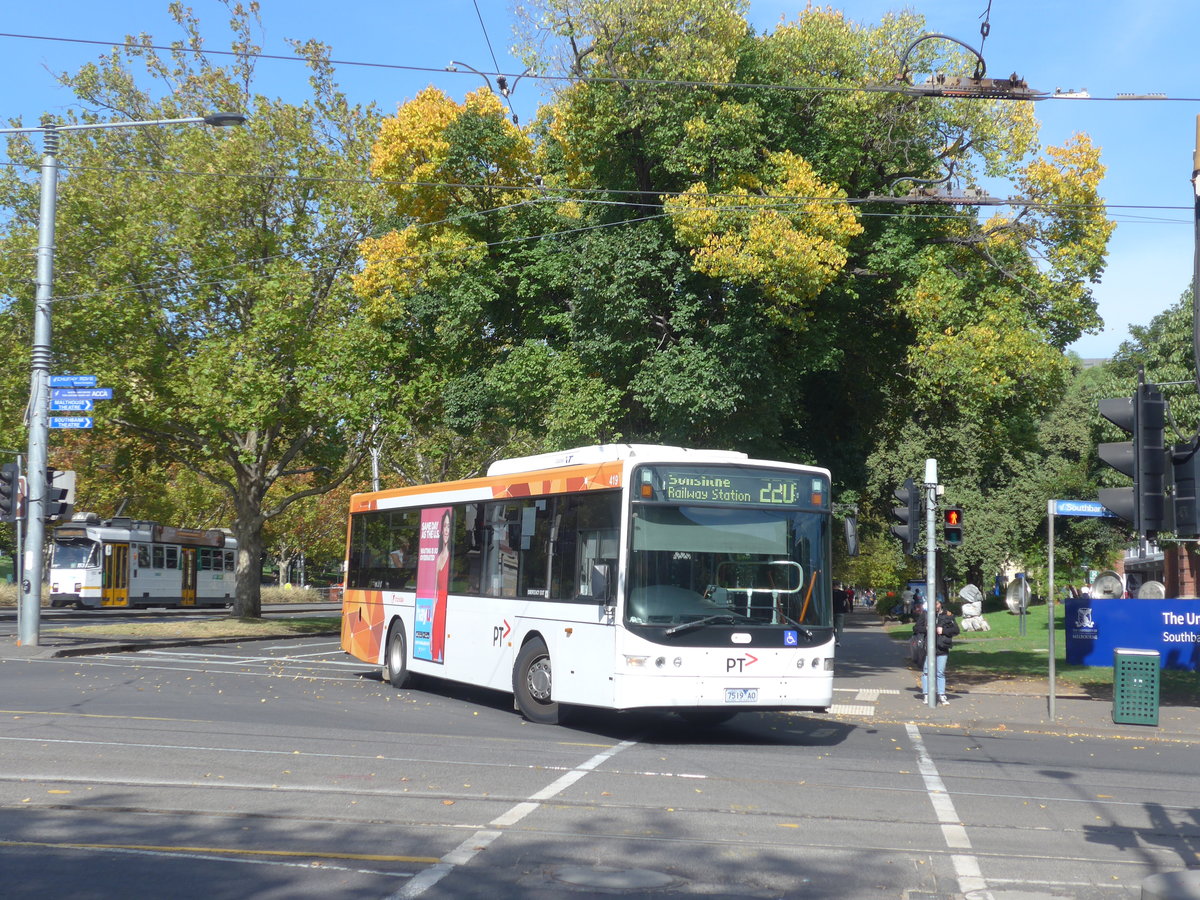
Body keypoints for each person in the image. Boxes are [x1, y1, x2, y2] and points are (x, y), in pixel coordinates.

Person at [914, 598, 959, 706]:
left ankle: (941, 694)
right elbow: (916, 628)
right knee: (926, 672)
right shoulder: (926, 614)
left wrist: (943, 631)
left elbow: (956, 630)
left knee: (940, 672)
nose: (935, 606)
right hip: (929, 648)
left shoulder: (947, 615)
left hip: (942, 647)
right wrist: (927, 629)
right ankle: (926, 694)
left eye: (937, 603)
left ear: (940, 604)